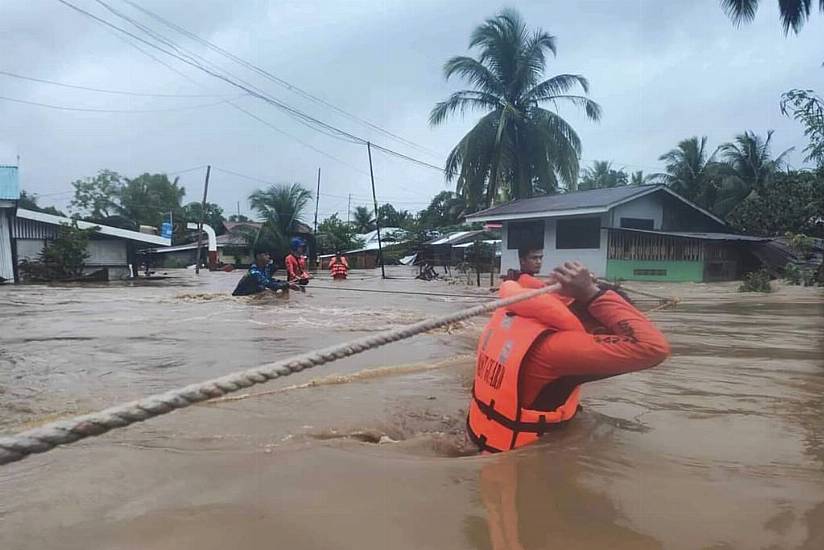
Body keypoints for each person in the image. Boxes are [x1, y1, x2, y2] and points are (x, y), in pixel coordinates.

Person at [467, 260, 670, 453]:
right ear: (600, 330)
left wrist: (582, 290)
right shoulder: (558, 350)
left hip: (482, 437)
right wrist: (591, 293)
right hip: (524, 458)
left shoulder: (525, 320)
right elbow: (652, 348)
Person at [232, 251, 302, 296]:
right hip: (241, 297)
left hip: (252, 294)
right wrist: (287, 284)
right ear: (258, 256)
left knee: (273, 292)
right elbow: (269, 284)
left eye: (268, 254)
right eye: (266, 254)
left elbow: (271, 280)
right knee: (269, 293)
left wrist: (286, 283)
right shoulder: (254, 272)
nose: (269, 256)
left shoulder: (265, 269)